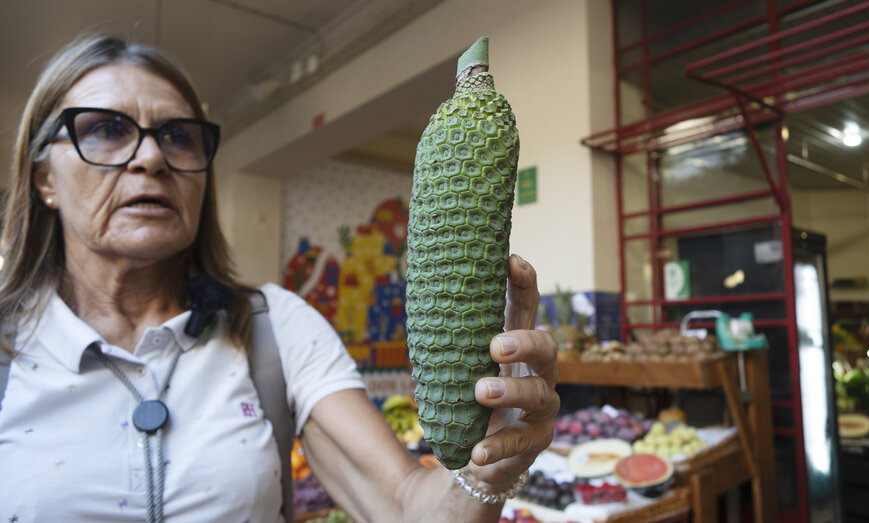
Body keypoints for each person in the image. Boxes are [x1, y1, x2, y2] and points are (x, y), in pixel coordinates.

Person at [0, 34, 559, 522]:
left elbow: (405, 508)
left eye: (178, 136)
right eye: (106, 129)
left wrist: (483, 472)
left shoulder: (277, 329)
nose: (151, 158)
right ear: (43, 176)